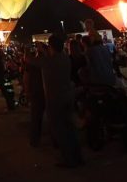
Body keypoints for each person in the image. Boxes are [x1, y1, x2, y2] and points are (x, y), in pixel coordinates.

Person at [27, 34, 84, 168]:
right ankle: (78, 157)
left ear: (51, 46)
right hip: (68, 96)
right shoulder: (65, 58)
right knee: (70, 128)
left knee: (60, 131)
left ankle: (69, 160)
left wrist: (33, 50)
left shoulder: (47, 61)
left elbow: (28, 60)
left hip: (55, 100)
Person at [23, 42, 47, 147]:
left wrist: (27, 91)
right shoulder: (50, 60)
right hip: (48, 92)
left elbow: (26, 77)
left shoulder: (34, 62)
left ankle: (35, 140)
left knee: (36, 117)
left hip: (37, 92)